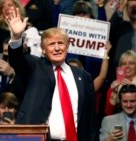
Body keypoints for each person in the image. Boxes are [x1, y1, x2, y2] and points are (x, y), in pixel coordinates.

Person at [7, 7, 97, 141]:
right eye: (51, 44)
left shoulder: (83, 77)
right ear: (43, 50)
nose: (57, 48)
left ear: (67, 47)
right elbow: (17, 59)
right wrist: (16, 37)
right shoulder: (35, 67)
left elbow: (89, 119)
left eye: (60, 43)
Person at [105, 50, 136, 115]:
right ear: (120, 67)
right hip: (118, 123)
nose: (127, 66)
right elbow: (108, 113)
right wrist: (114, 92)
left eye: (131, 63)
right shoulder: (114, 86)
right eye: (124, 63)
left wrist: (133, 89)